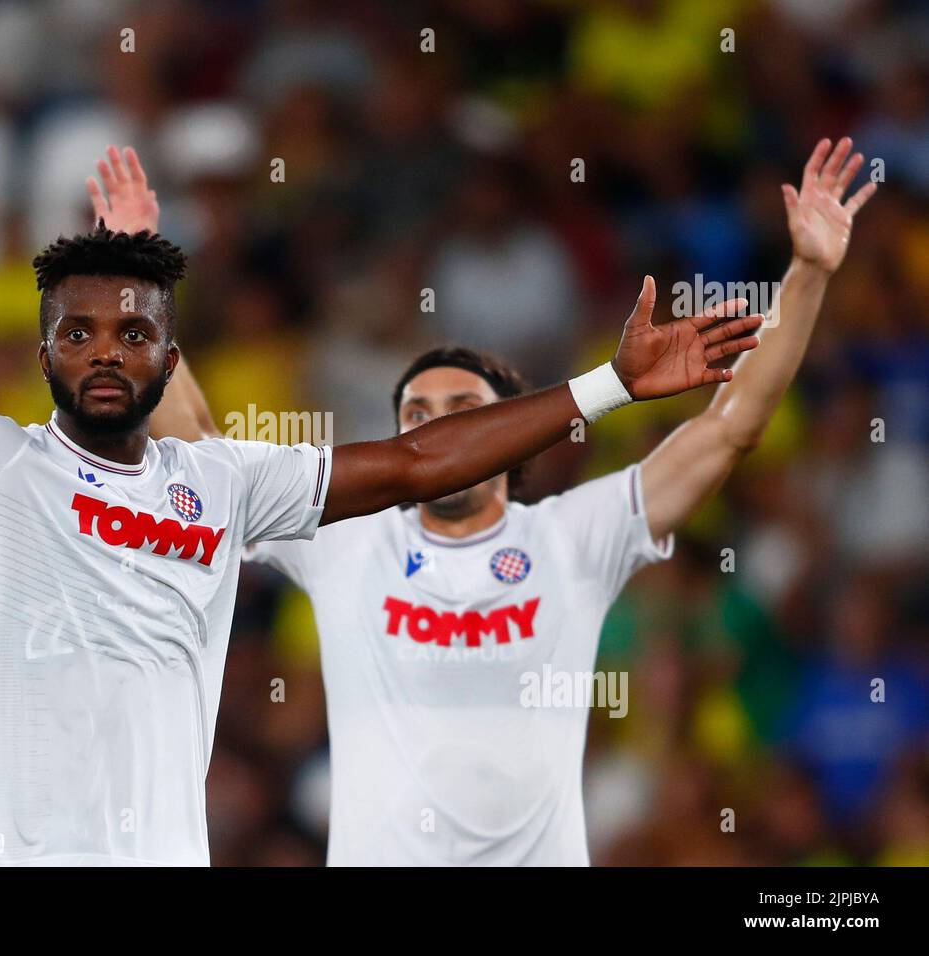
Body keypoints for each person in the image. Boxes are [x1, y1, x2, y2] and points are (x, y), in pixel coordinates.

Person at [0, 88, 761, 866]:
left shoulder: (224, 481)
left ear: (169, 359)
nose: (104, 350)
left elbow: (412, 461)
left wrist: (606, 385)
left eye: (134, 331)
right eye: (75, 332)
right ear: (43, 355)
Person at [121, 138, 877, 864]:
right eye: (419, 417)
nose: (441, 429)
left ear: (510, 441)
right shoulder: (344, 539)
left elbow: (731, 428)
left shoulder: (575, 537)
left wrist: (808, 271)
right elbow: (200, 444)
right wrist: (138, 276)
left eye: (466, 412)